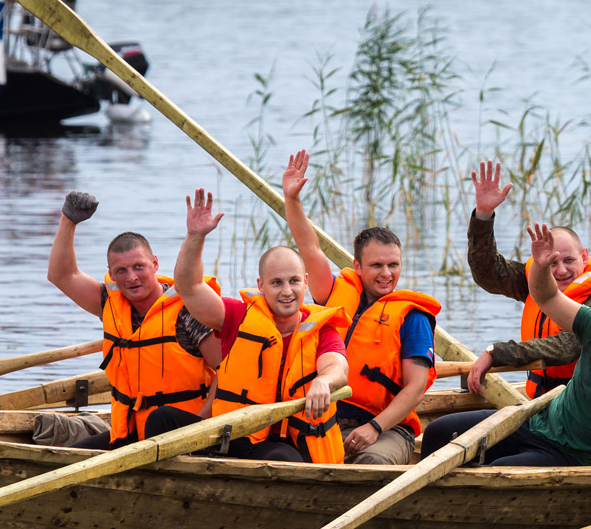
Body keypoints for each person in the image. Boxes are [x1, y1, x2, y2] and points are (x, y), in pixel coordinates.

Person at [421, 224, 591, 493]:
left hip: (574, 456)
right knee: (439, 432)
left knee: (497, 473)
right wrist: (539, 263)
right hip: (537, 424)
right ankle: (425, 501)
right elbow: (546, 295)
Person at [150, 188, 350, 464]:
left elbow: (337, 367)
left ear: (305, 281)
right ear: (261, 286)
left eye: (293, 281)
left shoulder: (320, 328)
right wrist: (195, 236)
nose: (287, 291)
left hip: (282, 444)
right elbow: (189, 287)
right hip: (229, 435)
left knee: (282, 460)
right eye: (276, 283)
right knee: (161, 419)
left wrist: (323, 382)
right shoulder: (238, 316)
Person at [283, 150, 439, 465]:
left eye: (393, 265)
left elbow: (417, 387)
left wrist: (374, 427)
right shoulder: (334, 293)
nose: (386, 274)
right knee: (278, 455)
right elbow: (309, 247)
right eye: (377, 265)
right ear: (357, 265)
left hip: (386, 427)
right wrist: (292, 200)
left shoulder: (412, 317)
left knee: (371, 466)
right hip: (324, 418)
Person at [46, 190, 220, 450]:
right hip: (131, 433)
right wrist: (69, 220)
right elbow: (62, 276)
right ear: (111, 274)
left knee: (160, 420)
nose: (131, 278)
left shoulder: (188, 310)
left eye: (139, 266)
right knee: (69, 456)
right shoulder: (110, 304)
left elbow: (226, 370)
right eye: (121, 271)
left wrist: (201, 424)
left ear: (154, 264)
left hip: (186, 431)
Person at [466, 160, 591, 398]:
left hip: (584, 405)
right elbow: (488, 274)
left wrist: (497, 352)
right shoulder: (536, 281)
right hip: (539, 400)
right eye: (552, 262)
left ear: (584, 257)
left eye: (569, 261)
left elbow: (568, 346)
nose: (561, 271)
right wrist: (484, 215)